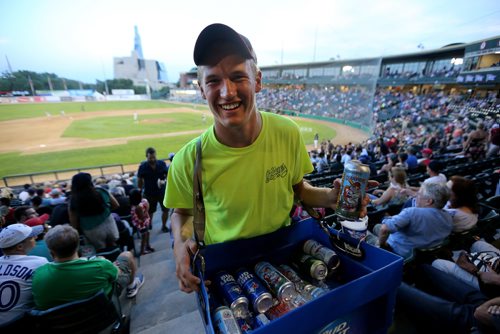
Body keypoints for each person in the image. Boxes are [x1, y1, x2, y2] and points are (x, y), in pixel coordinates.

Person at [164, 23, 373, 293]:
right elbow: (181, 213)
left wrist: (329, 198)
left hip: (286, 256)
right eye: (213, 80)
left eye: (238, 77)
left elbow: (298, 189)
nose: (227, 92)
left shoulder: (287, 133)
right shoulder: (187, 160)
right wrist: (180, 245)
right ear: (202, 90)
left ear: (258, 81)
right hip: (226, 271)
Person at [31, 225, 144, 310]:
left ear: (51, 253)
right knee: (126, 255)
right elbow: (118, 274)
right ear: (77, 247)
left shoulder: (38, 276)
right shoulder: (99, 265)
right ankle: (132, 286)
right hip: (102, 311)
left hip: (65, 323)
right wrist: (107, 264)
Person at [396, 264, 500, 333]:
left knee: (396, 286)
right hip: (489, 303)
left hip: (485, 323)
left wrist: (490, 316)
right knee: (423, 268)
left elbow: (479, 314)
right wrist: (487, 305)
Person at [373, 182, 453, 259]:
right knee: (377, 227)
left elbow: (384, 229)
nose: (415, 197)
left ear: (429, 201)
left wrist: (382, 245)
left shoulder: (411, 212)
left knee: (368, 233)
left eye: (419, 195)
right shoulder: (449, 217)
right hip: (424, 253)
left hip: (398, 253)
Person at [0, 224, 47, 325]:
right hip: (20, 326)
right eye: (31, 237)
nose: (35, 237)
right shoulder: (39, 262)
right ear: (20, 246)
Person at [68, 172, 120, 251]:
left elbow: (74, 224)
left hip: (91, 231)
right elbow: (116, 205)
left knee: (101, 252)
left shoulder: (73, 200)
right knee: (113, 246)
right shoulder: (100, 191)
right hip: (110, 225)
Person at [137, 147, 169, 233]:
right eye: (150, 158)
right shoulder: (143, 167)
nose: (152, 159)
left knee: (166, 209)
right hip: (149, 193)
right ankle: (149, 223)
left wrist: (165, 181)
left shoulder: (162, 164)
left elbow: (168, 175)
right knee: (150, 211)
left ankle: (164, 226)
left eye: (154, 157)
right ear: (146, 157)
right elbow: (139, 179)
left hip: (162, 192)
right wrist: (139, 190)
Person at [129, 188, 154, 255]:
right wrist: (147, 208)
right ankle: (142, 250)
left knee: (147, 233)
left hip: (143, 222)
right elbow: (142, 217)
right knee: (144, 236)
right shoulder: (138, 207)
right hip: (142, 224)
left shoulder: (135, 205)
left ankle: (148, 246)